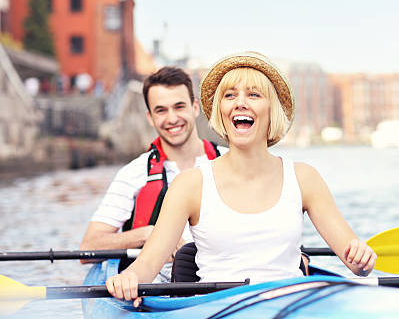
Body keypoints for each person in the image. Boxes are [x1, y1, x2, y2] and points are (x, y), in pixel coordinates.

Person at [106, 52, 377, 306]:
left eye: (254, 94)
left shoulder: (304, 177)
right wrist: (129, 279)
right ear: (220, 111)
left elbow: (354, 262)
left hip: (288, 306)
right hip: (218, 308)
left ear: (272, 110)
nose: (240, 102)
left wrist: (362, 260)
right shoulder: (190, 185)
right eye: (230, 95)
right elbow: (146, 266)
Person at [80, 66, 220, 282]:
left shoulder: (228, 162)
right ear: (150, 117)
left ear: (195, 107)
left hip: (225, 279)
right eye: (161, 110)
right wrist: (149, 234)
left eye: (179, 106)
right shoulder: (134, 174)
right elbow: (88, 248)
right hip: (159, 290)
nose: (172, 118)